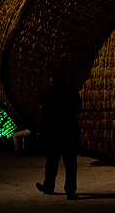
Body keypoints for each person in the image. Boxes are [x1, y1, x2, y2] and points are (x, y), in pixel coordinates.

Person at [35, 70, 82, 200]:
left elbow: (40, 114)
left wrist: (40, 131)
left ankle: (49, 186)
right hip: (69, 131)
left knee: (51, 161)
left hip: (52, 132)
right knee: (71, 163)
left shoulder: (46, 95)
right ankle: (70, 191)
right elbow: (78, 110)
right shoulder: (72, 93)